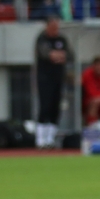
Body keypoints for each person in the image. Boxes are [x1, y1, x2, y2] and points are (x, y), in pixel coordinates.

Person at [34, 15, 72, 148]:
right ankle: (40, 138)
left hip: (58, 77)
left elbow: (69, 55)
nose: (56, 29)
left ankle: (50, 138)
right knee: (45, 106)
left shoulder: (61, 39)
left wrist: (58, 56)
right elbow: (46, 54)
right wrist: (56, 55)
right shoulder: (42, 39)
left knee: (55, 107)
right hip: (45, 78)